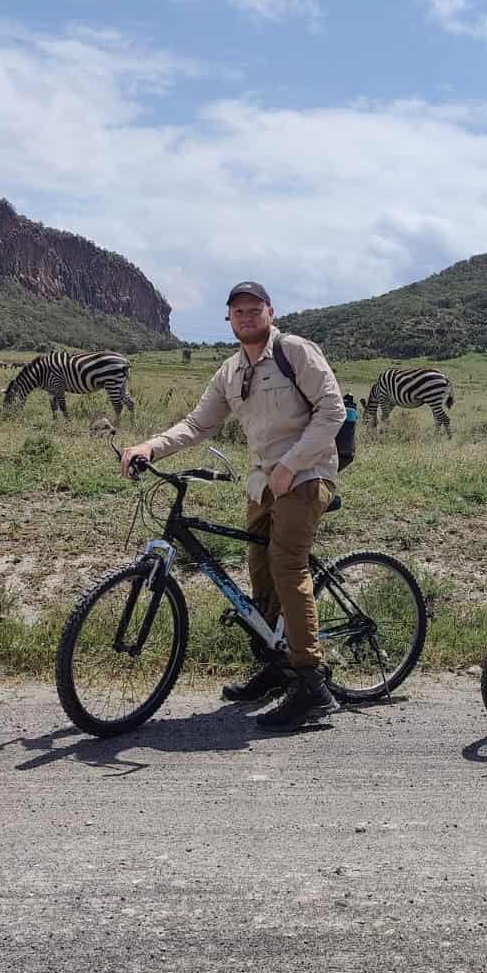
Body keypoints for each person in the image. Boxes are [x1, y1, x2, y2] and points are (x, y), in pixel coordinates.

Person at [120, 281, 347, 731]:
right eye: (238, 311)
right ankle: (275, 662)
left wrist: (291, 463)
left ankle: (311, 684)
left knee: (287, 567)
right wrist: (150, 446)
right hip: (262, 485)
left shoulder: (294, 351)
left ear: (269, 311)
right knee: (259, 574)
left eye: (253, 309)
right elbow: (197, 423)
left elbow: (332, 411)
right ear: (228, 318)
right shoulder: (230, 371)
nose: (246, 316)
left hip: (306, 476)